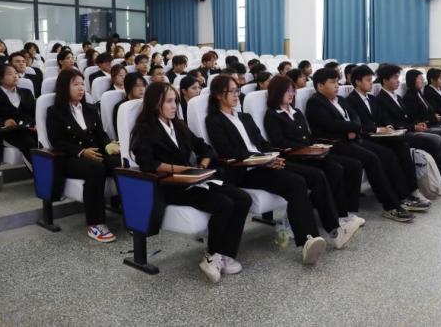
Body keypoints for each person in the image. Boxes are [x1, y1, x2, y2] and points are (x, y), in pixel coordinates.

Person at [205, 74, 331, 265]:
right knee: (295, 182)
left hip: (263, 164)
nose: (236, 95)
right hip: (244, 171)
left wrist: (273, 157)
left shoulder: (245, 117)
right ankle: (307, 238)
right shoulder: (214, 120)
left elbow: (262, 143)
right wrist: (262, 160)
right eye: (231, 91)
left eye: (237, 90)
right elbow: (228, 151)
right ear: (217, 95)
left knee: (309, 176)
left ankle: (315, 235)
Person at [131, 82, 251, 282]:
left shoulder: (179, 126)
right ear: (155, 103)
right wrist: (179, 169)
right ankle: (212, 255)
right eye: (169, 101)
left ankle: (225, 254)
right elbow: (147, 163)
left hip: (194, 179)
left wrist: (201, 166)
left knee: (243, 199)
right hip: (170, 186)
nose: (174, 106)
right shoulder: (145, 129)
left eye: (175, 101)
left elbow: (206, 149)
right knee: (224, 204)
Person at [306, 68, 424, 222]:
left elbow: (355, 118)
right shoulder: (315, 102)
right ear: (320, 86)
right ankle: (390, 206)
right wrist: (350, 129)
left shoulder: (339, 99)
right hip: (335, 144)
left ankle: (401, 197)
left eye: (337, 82)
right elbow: (332, 125)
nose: (336, 86)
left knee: (387, 153)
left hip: (351, 140)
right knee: (371, 158)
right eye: (332, 82)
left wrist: (352, 128)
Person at [265, 76, 366, 227]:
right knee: (329, 171)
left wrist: (318, 147)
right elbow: (279, 142)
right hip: (294, 157)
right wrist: (306, 149)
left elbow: (307, 136)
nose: (291, 94)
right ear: (277, 92)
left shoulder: (296, 112)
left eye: (293, 91)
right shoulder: (272, 115)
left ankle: (344, 212)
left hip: (310, 154)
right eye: (287, 91)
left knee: (347, 166)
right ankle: (337, 215)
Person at [47, 69, 121, 243]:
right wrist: (81, 152)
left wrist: (109, 146)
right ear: (64, 87)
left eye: (82, 84)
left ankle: (131, 214)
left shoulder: (90, 108)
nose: (81, 88)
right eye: (76, 84)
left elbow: (100, 134)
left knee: (119, 162)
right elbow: (56, 141)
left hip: (94, 152)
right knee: (96, 168)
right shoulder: (55, 111)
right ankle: (95, 223)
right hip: (72, 158)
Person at [374, 64, 441, 193]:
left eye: (398, 77)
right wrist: (413, 126)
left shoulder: (397, 97)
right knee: (435, 140)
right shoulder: (381, 99)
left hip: (411, 129)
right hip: (402, 134)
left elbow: (408, 117)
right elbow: (392, 123)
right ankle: (438, 182)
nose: (398, 81)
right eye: (394, 78)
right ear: (385, 80)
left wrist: (418, 124)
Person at [0, 64, 37, 167]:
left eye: (16, 73)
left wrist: (35, 123)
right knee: (28, 142)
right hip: (8, 132)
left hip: (28, 128)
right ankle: (38, 171)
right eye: (10, 74)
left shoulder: (26, 92)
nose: (15, 76)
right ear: (0, 78)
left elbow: (34, 113)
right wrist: (4, 122)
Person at [112, 73, 147, 138]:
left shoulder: (146, 103)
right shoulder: (121, 107)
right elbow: (120, 132)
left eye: (143, 86)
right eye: (137, 86)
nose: (141, 89)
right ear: (129, 87)